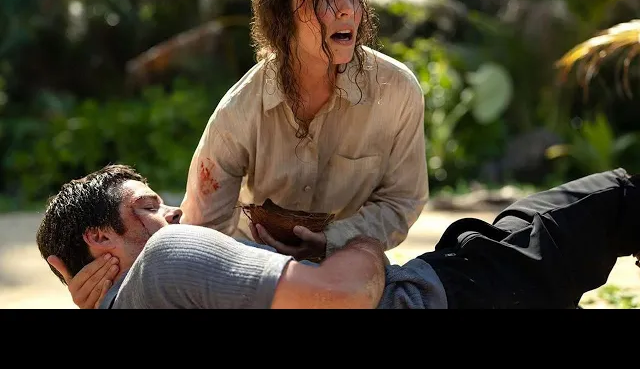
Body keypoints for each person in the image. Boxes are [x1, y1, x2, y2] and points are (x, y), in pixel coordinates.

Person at [40, 164, 640, 309]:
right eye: (147, 206)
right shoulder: (169, 257)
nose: (174, 212)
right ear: (100, 238)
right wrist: (361, 245)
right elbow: (344, 295)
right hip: (448, 294)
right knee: (617, 198)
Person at [177, 0, 429, 262]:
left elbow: (401, 200)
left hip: (346, 265)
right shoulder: (240, 110)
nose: (347, 10)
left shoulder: (397, 91)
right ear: (282, 13)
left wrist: (332, 241)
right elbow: (202, 230)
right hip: (254, 265)